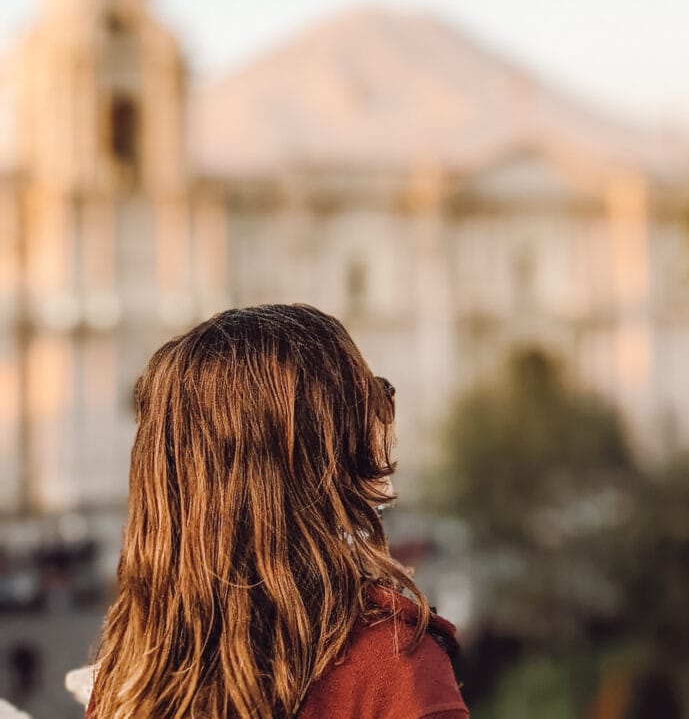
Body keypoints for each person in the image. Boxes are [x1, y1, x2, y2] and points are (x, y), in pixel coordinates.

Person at [84, 304, 469, 719]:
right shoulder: (394, 664)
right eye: (366, 399)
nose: (381, 417)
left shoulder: (130, 678)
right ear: (320, 452)